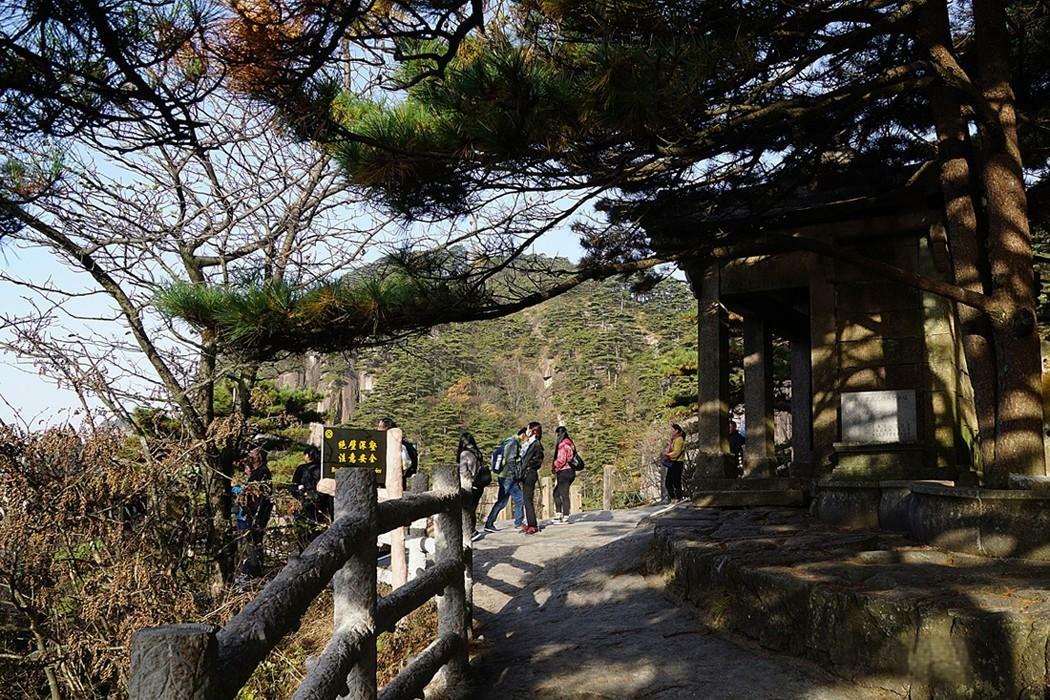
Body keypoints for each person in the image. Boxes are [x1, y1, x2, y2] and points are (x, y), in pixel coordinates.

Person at [238, 447, 273, 580]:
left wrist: (251, 511)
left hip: (256, 513)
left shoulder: (262, 472)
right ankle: (254, 567)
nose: (250, 457)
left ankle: (253, 569)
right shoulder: (258, 472)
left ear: (259, 457)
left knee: (252, 540)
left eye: (253, 455)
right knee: (253, 540)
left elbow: (259, 496)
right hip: (254, 512)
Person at [484, 427, 526, 533]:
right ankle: (518, 522)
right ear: (523, 434)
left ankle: (490, 523)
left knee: (504, 501)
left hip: (504, 475)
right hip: (508, 476)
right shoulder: (513, 443)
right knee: (517, 499)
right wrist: (516, 472)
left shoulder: (509, 441)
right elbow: (510, 460)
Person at [290, 445, 332, 549]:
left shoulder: (302, 469)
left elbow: (293, 487)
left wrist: (300, 497)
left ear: (308, 456)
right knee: (318, 530)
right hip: (321, 505)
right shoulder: (323, 469)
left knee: (303, 531)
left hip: (304, 503)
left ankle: (304, 552)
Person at [457, 432, 486, 541]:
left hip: (469, 485)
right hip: (480, 484)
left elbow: (463, 471)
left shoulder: (464, 454)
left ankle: (470, 532)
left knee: (467, 509)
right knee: (472, 508)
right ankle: (472, 530)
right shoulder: (477, 452)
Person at [376, 417, 418, 489]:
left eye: (380, 427)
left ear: (387, 429)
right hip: (384, 479)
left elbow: (406, 463)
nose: (378, 429)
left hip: (395, 480)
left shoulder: (400, 445)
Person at [518, 421, 544, 534]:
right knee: (526, 499)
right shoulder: (530, 443)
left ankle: (532, 524)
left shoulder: (536, 444)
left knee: (528, 499)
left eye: (528, 429)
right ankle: (530, 522)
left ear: (533, 431)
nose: (526, 431)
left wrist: (528, 465)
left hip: (530, 473)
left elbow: (537, 461)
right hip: (527, 473)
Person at [550, 426, 577, 524]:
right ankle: (559, 514)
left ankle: (564, 515)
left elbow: (561, 460)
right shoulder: (570, 443)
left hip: (564, 471)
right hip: (571, 471)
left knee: (563, 494)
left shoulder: (562, 445)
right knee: (557, 492)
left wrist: (554, 466)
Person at [662, 424, 686, 503]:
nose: (670, 431)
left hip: (677, 462)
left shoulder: (679, 439)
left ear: (676, 431)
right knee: (669, 482)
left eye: (672, 430)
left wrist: (667, 455)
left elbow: (676, 452)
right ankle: (674, 498)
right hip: (674, 462)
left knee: (675, 481)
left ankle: (678, 498)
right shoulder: (674, 440)